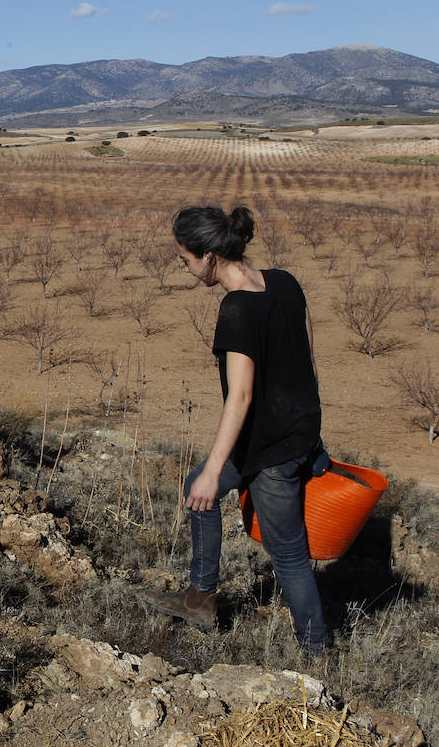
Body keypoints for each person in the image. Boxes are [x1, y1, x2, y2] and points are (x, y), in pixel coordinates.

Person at [141, 205, 332, 653]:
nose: (185, 269)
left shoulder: (237, 310)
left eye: (185, 260)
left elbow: (240, 397)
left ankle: (319, 649)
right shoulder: (284, 282)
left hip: (271, 450)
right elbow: (309, 361)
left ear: (209, 256)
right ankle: (200, 598)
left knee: (288, 555)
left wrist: (215, 469)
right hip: (293, 430)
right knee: (197, 490)